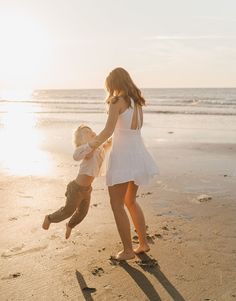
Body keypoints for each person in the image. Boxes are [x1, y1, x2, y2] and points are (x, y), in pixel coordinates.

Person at [88, 67, 159, 260]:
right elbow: (127, 132)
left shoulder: (116, 102)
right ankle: (143, 243)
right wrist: (108, 143)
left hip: (123, 158)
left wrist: (90, 146)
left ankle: (128, 250)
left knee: (117, 203)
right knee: (130, 201)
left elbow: (108, 130)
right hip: (138, 155)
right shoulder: (137, 103)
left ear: (113, 85)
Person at [42, 124, 111, 239]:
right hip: (76, 188)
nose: (92, 132)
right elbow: (75, 156)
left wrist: (115, 136)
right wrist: (89, 146)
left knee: (82, 213)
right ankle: (49, 218)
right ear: (82, 140)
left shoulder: (98, 148)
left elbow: (107, 144)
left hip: (87, 189)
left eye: (92, 130)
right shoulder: (83, 150)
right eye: (88, 132)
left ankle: (70, 225)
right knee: (67, 212)